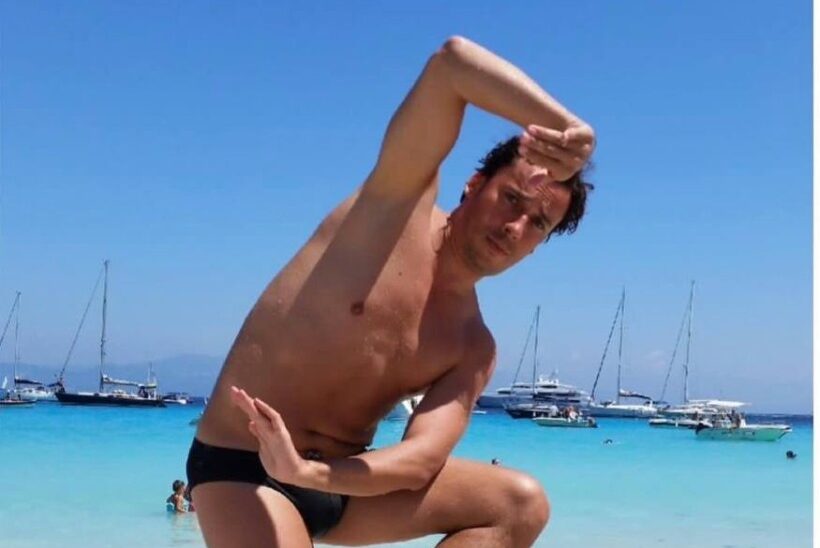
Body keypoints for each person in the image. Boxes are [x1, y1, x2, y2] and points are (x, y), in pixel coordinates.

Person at [189, 36, 595, 547]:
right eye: (511, 198)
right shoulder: (392, 210)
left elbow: (421, 460)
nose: (515, 226)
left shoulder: (472, 346)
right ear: (474, 185)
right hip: (243, 463)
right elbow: (452, 65)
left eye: (537, 223)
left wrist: (313, 475)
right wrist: (565, 128)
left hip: (343, 481)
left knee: (520, 504)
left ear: (538, 247)